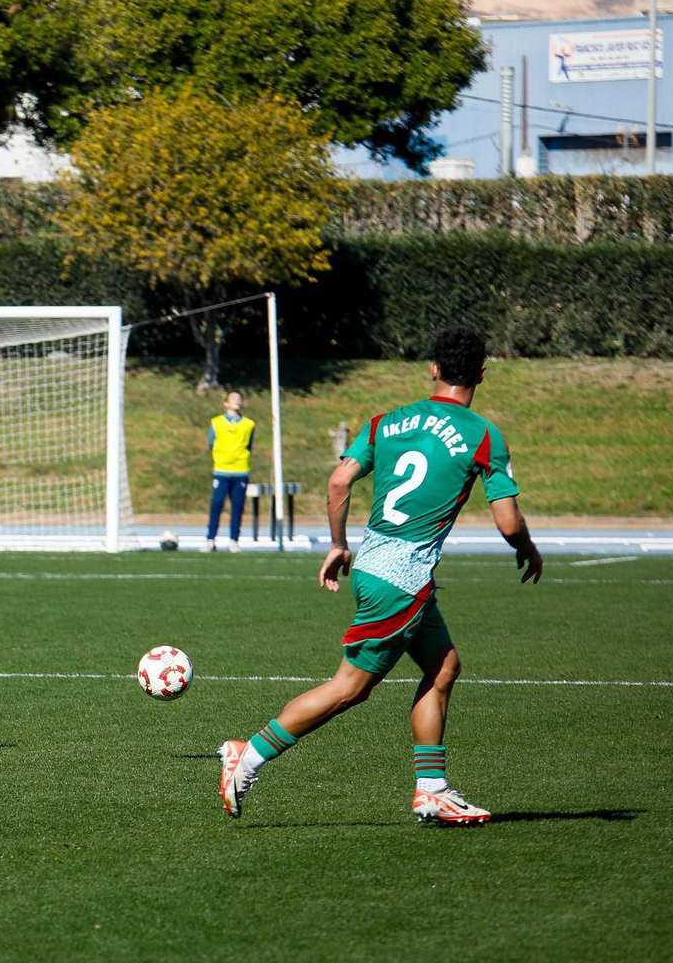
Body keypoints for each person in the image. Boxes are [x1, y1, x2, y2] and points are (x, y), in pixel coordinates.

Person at [217, 326, 543, 824]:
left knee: (443, 667)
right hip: (403, 578)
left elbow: (339, 478)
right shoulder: (482, 434)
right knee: (350, 687)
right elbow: (508, 522)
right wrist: (528, 548)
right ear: (481, 374)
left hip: (377, 565)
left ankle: (432, 789)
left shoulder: (385, 422)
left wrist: (338, 545)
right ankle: (250, 754)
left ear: (433, 369)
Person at [202, 390, 254, 553]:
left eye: (239, 398)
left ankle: (234, 540)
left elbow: (249, 445)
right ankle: (210, 539)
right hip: (222, 470)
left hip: (240, 471)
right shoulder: (216, 422)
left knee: (238, 506)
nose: (237, 401)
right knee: (217, 504)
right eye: (233, 398)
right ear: (226, 403)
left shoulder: (248, 424)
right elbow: (211, 443)